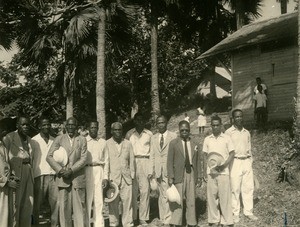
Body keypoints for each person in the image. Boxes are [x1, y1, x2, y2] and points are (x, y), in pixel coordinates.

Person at [47, 117, 87, 227]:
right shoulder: (59, 139)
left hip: (77, 177)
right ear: (65, 126)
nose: (70, 127)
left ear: (77, 127)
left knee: (80, 208)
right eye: (68, 125)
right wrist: (60, 170)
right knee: (64, 209)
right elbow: (49, 157)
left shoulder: (82, 139)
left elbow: (83, 159)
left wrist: (71, 170)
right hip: (63, 179)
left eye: (73, 125)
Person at [167, 120, 203, 227]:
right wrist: (170, 176)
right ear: (179, 130)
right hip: (179, 173)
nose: (184, 132)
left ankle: (191, 222)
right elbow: (169, 161)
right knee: (178, 199)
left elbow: (197, 161)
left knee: (191, 198)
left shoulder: (194, 143)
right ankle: (176, 222)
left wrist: (199, 176)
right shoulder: (174, 143)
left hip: (190, 172)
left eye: (186, 130)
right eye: (182, 130)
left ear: (189, 130)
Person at [225, 109, 258, 223]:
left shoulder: (246, 132)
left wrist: (250, 161)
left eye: (240, 116)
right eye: (236, 117)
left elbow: (249, 148)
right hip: (235, 162)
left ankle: (248, 211)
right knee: (235, 188)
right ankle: (235, 213)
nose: (239, 118)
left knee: (248, 187)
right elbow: (226, 150)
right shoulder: (228, 133)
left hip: (246, 161)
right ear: (233, 119)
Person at [203, 115, 235, 227]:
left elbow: (232, 153)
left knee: (225, 197)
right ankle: (214, 220)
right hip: (211, 173)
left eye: (217, 125)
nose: (215, 127)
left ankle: (226, 221)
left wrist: (224, 165)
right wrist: (205, 172)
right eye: (213, 125)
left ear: (221, 125)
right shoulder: (207, 139)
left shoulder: (227, 138)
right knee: (212, 197)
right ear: (211, 126)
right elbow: (205, 156)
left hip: (223, 172)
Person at [3, 116, 34, 227]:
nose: (26, 127)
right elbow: (4, 158)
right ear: (17, 125)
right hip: (16, 174)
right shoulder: (9, 138)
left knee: (28, 205)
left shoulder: (30, 140)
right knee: (15, 205)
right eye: (23, 124)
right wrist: (9, 175)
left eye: (27, 124)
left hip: (28, 172)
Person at [105, 122, 135, 227]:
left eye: (120, 130)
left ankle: (128, 223)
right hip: (113, 179)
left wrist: (132, 176)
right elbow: (106, 162)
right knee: (113, 204)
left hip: (126, 178)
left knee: (127, 203)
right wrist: (107, 178)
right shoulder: (107, 143)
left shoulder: (128, 143)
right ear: (111, 131)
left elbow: (132, 161)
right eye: (115, 130)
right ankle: (114, 223)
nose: (118, 132)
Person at [126, 113, 153, 225]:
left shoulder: (149, 134)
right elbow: (125, 150)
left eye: (142, 120)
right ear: (134, 121)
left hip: (145, 161)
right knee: (132, 190)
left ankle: (143, 217)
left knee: (145, 191)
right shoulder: (129, 134)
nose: (140, 122)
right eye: (138, 120)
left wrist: (151, 168)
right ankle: (133, 216)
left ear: (144, 121)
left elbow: (152, 152)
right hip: (133, 162)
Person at [149, 115, 177, 226]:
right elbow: (152, 155)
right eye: (158, 123)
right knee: (161, 195)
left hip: (168, 169)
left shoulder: (173, 136)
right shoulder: (153, 138)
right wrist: (151, 171)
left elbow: (175, 154)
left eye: (163, 122)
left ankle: (169, 219)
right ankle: (162, 218)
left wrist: (173, 171)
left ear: (166, 123)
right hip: (158, 171)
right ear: (156, 124)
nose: (161, 125)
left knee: (169, 194)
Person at [32, 116, 59, 227]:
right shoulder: (34, 140)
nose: (47, 126)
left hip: (53, 175)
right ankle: (36, 225)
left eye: (48, 124)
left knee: (56, 204)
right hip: (39, 175)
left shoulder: (55, 140)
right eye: (44, 125)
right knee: (37, 205)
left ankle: (55, 224)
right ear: (39, 126)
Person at [85, 121, 108, 227]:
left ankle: (98, 223)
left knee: (99, 199)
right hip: (87, 170)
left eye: (95, 127)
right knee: (88, 199)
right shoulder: (84, 141)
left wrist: (105, 177)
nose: (94, 129)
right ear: (88, 128)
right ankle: (86, 223)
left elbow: (106, 160)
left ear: (98, 129)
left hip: (99, 169)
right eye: (92, 127)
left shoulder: (103, 142)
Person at [0, 116, 20, 227]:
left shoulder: (2, 145)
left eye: (5, 128)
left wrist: (11, 176)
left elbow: (5, 166)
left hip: (5, 188)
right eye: (2, 128)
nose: (5, 131)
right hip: (2, 186)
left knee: (6, 217)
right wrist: (6, 182)